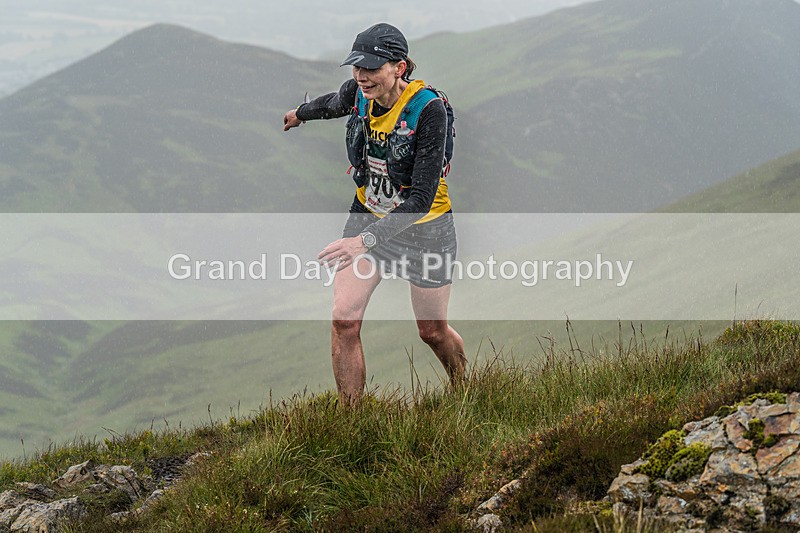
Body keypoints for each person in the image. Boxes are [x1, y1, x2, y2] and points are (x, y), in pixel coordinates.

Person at [282, 23, 466, 405]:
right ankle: (353, 421)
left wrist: (361, 242)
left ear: (399, 67)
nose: (362, 76)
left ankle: (466, 388)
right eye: (356, 67)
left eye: (372, 67)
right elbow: (335, 102)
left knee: (431, 331)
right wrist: (300, 113)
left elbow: (420, 200)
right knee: (344, 319)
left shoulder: (428, 111)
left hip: (425, 230)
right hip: (368, 216)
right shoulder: (360, 92)